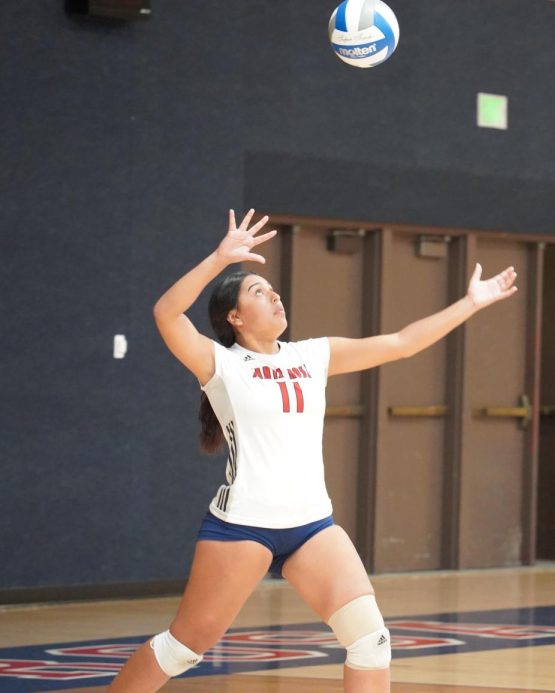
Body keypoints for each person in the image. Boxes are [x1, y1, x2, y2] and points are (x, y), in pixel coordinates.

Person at [107, 209, 518, 693]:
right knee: (184, 648)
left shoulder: (311, 355)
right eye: (258, 292)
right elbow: (165, 313)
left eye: (273, 289)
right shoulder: (220, 362)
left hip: (311, 524)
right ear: (235, 318)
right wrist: (220, 258)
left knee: (371, 640)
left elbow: (402, 343)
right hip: (243, 527)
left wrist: (470, 303)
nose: (274, 295)